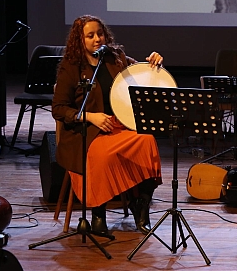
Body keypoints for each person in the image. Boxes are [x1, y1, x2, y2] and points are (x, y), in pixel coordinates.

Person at [52, 15, 163, 236]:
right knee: (102, 156)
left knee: (146, 141)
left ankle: (141, 206)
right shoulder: (71, 66)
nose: (97, 39)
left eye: (100, 34)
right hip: (84, 132)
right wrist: (89, 117)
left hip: (116, 127)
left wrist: (154, 61)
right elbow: (59, 108)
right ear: (79, 39)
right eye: (90, 35)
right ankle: (97, 212)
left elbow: (141, 70)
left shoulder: (115, 57)